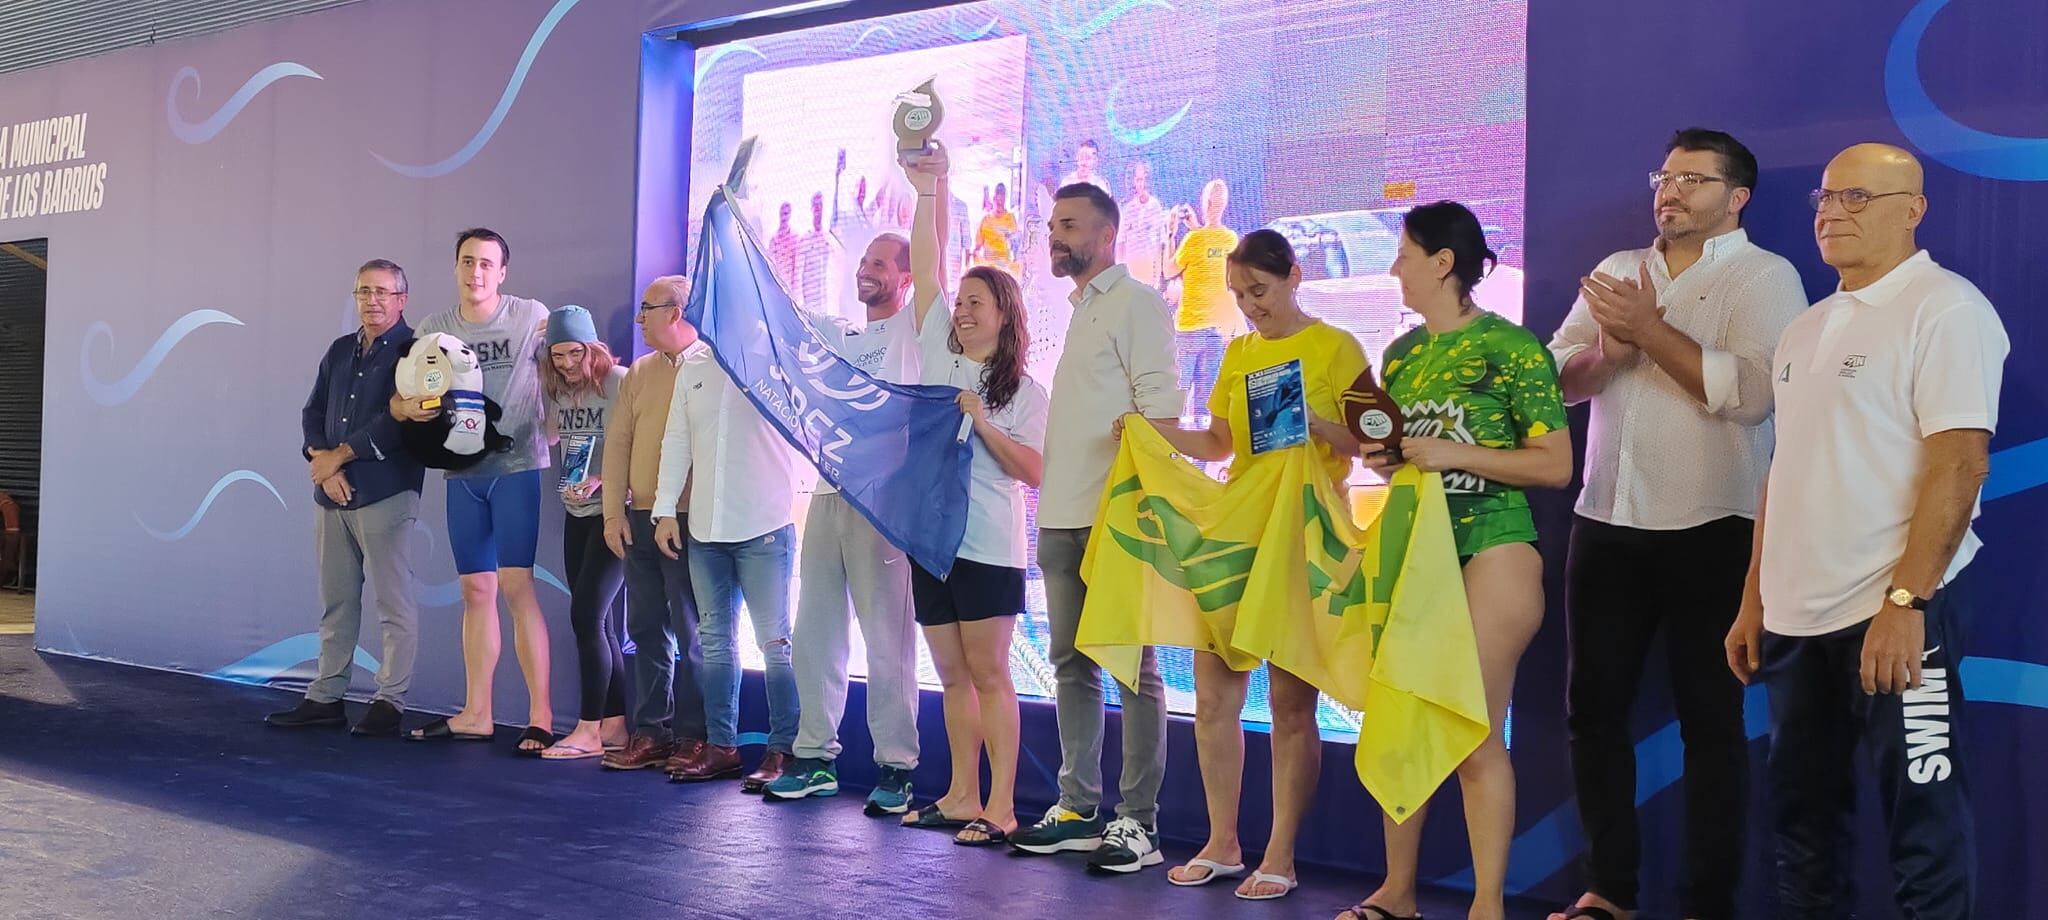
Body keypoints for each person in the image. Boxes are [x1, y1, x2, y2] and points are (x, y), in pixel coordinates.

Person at [1726, 143, 2005, 920]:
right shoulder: (1806, 328)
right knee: (1803, 830)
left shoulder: (1946, 309)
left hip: (1899, 615)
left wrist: (1907, 602)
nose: (1831, 212)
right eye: (1824, 196)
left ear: (1913, 211)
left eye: (1857, 198)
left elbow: (1959, 466)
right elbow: (1786, 471)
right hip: (1793, 622)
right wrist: (1755, 599)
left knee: (1925, 828)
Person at [1545, 129, 1809, 920]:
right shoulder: (1618, 272)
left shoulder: (1768, 276)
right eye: (1666, 175)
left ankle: (1707, 904)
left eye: (1695, 179)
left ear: (1737, 199)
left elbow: (1756, 395)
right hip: (1605, 522)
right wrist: (1614, 353)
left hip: (1714, 527)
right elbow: (1559, 376)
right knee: (1592, 717)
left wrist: (1649, 333)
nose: (1672, 191)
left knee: (1712, 725)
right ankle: (1609, 892)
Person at [1340, 202, 1572, 920]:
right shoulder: (1402, 355)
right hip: (1417, 551)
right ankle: (1396, 893)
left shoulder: (1512, 347)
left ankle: (1489, 905)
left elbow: (1556, 465)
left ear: (1444, 262)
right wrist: (1378, 454)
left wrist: (1454, 453)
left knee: (1472, 728)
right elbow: (1401, 463)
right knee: (1404, 718)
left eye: (1404, 254)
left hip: (1494, 544)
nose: (1394, 268)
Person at [1133, 230, 1365, 901]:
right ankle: (1222, 841)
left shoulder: (1335, 347)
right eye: (1238, 295)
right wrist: (1153, 432)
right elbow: (1219, 440)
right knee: (1213, 695)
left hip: (1302, 536)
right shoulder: (1236, 352)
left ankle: (1281, 853)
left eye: (1258, 291)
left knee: (1292, 702)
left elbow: (1373, 439)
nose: (1249, 306)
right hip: (1239, 533)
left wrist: (1318, 427)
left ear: (1293, 276)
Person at [1009, 182, 1183, 874]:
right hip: (1061, 515)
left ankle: (1138, 822)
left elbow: (1161, 414)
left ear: (1106, 235)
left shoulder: (1137, 304)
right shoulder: (1079, 311)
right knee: (1071, 666)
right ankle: (1079, 808)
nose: (1056, 236)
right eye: (1053, 224)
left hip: (1117, 519)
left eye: (1069, 224)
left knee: (1134, 669)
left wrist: (1138, 508)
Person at [887, 143, 1048, 847]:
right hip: (934, 541)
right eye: (960, 304)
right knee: (951, 674)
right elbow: (925, 270)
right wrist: (927, 189)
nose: (962, 311)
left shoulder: (1024, 391)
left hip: (988, 544)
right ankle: (959, 793)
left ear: (1005, 315)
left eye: (976, 304)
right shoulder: (943, 356)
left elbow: (1034, 471)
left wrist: (980, 421)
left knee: (989, 673)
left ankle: (1003, 805)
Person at [763, 229, 925, 812]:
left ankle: (896, 766)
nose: (866, 270)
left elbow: (931, 272)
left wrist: (928, 186)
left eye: (879, 263)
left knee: (888, 642)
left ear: (905, 277)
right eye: (863, 260)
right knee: (815, 635)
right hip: (828, 497)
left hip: (882, 504)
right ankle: (814, 758)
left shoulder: (912, 331)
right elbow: (779, 306)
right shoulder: (838, 335)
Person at [392, 228, 555, 752]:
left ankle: (541, 717)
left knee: (516, 588)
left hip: (516, 469)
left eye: (487, 263)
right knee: (475, 592)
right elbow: (402, 399)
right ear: (456, 267)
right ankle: (476, 712)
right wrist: (409, 409)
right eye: (467, 262)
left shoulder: (531, 315)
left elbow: (574, 366)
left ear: (502, 271)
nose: (476, 272)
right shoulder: (434, 328)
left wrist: (552, 432)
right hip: (463, 476)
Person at [266, 259, 424, 737]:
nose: (372, 301)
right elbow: (313, 411)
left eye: (383, 292)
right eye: (364, 292)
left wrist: (339, 459)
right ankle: (327, 695)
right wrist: (323, 462)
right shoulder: (339, 350)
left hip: (386, 492)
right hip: (331, 496)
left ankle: (390, 701)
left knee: (392, 603)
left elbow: (400, 422)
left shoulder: (417, 353)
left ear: (402, 299)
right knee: (336, 603)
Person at [651, 313, 802, 789]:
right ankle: (722, 747)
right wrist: (664, 510)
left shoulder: (777, 360)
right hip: (705, 531)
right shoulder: (693, 369)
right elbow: (676, 441)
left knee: (775, 644)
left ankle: (785, 750)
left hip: (764, 527)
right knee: (715, 642)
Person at [598, 277, 710, 774]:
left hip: (690, 520)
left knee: (693, 631)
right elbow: (617, 443)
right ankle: (651, 731)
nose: (639, 319)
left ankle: (695, 737)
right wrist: (612, 513)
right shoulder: (639, 373)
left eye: (647, 308)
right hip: (639, 518)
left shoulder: (711, 367)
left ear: (678, 310)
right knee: (644, 627)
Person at [533, 305, 630, 760]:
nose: (568, 364)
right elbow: (552, 438)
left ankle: (588, 731)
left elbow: (647, 445)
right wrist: (540, 366)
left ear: (593, 348)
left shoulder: (620, 381)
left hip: (615, 514)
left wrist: (608, 482)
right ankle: (614, 725)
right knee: (601, 621)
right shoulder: (558, 388)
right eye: (558, 356)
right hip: (576, 513)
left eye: (575, 354)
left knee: (586, 618)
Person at [1167, 179, 1238, 416]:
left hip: (1190, 328)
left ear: (1204, 202)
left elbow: (1169, 271)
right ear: (1224, 204)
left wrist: (1170, 234)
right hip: (1217, 329)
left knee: (1176, 398)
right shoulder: (1230, 241)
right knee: (1205, 404)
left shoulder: (1193, 241)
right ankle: (1202, 453)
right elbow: (1213, 256)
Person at [1118, 160, 1171, 290]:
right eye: (1138, 180)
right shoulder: (1127, 209)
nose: (1141, 185)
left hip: (1149, 275)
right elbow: (1121, 244)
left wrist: (1157, 277)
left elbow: (1160, 246)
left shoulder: (1156, 208)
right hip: (1130, 275)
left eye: (1144, 180)